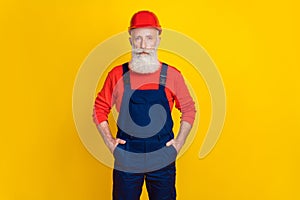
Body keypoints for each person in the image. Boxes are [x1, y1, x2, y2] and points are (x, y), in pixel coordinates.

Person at [93, 10, 196, 200]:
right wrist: (110, 142)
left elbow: (189, 109)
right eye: (138, 38)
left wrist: (178, 144)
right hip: (128, 156)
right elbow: (99, 109)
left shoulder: (172, 75)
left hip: (162, 157)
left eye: (149, 38)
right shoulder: (117, 75)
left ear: (158, 39)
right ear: (130, 40)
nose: (143, 45)